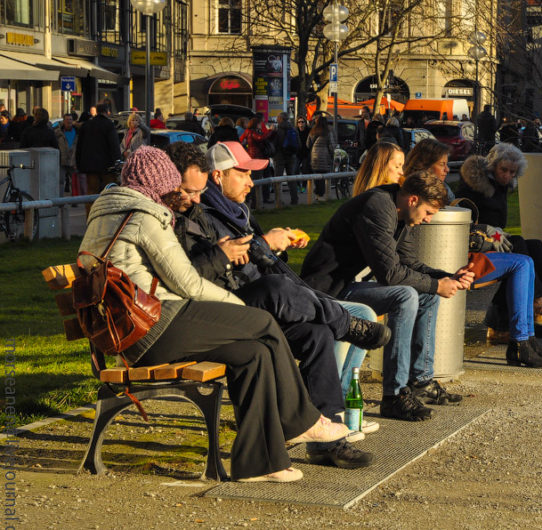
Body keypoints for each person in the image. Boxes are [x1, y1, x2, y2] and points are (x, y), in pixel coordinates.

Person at [78, 145, 350, 482]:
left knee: (254, 353)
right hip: (155, 328)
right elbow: (189, 284)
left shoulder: (108, 212)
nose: (182, 198)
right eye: (172, 189)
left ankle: (259, 463)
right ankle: (302, 421)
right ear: (155, 186)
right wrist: (239, 311)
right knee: (262, 323)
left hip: (135, 330)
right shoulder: (144, 217)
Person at [163, 142, 384, 466]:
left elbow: (233, 263)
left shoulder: (215, 212)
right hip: (212, 312)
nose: (251, 182)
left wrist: (266, 249)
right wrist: (246, 250)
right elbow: (185, 277)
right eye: (244, 173)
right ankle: (346, 324)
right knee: (276, 288)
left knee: (315, 335)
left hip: (235, 300)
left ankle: (330, 439)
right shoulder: (187, 215)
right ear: (218, 176)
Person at [301, 173, 475, 420]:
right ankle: (394, 395)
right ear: (413, 199)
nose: (428, 220)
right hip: (328, 289)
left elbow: (409, 263)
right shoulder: (378, 206)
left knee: (427, 296)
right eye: (428, 212)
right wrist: (437, 284)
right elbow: (390, 274)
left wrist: (447, 277)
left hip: (353, 285)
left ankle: (420, 381)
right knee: (406, 296)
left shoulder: (402, 213)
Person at [400, 140, 542, 367]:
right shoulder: (421, 191)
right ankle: (521, 341)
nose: (447, 169)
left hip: (456, 251)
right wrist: (486, 234)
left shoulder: (439, 188)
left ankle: (526, 340)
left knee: (527, 257)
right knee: (523, 262)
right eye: (442, 164)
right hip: (449, 258)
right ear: (425, 165)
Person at [456, 142, 542, 341]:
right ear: (493, 166)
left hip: (494, 241)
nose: (507, 175)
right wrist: (495, 235)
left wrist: (498, 235)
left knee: (534, 246)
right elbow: (468, 221)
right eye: (504, 170)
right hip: (475, 243)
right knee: (520, 247)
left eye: (512, 172)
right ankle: (537, 305)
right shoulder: (474, 186)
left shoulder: (502, 186)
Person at [76, 103, 121, 218]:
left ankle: (90, 217)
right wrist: (117, 162)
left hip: (89, 166)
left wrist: (79, 164)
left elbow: (79, 146)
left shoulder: (87, 125)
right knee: (109, 192)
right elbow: (114, 145)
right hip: (107, 166)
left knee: (91, 193)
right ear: (107, 111)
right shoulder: (109, 125)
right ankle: (108, 217)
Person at [239, 116, 274, 205]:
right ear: (255, 124)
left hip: (257, 157)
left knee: (258, 179)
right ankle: (255, 202)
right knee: (256, 180)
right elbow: (260, 138)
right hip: (257, 158)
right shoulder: (251, 132)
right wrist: (270, 131)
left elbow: (241, 140)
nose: (261, 125)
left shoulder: (249, 132)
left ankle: (256, 200)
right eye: (259, 124)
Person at [270, 112, 301, 206]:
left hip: (279, 157)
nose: (277, 119)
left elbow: (273, 145)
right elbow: (299, 144)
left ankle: (279, 200)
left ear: (281, 119)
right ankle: (294, 199)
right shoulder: (293, 129)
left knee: (278, 179)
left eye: (278, 118)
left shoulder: (277, 130)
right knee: (291, 178)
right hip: (291, 157)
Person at [308, 114, 336, 202]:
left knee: (317, 176)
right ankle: (321, 195)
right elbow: (331, 146)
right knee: (323, 177)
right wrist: (333, 154)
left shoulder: (312, 131)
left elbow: (308, 144)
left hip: (314, 156)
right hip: (325, 156)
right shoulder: (327, 132)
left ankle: (317, 194)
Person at [55, 113, 80, 196]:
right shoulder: (58, 133)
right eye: (67, 119)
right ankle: (60, 201)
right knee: (60, 181)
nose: (69, 121)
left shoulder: (77, 132)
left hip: (73, 161)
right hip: (62, 160)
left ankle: (75, 201)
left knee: (75, 182)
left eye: (70, 119)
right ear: (63, 121)